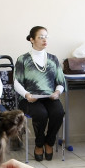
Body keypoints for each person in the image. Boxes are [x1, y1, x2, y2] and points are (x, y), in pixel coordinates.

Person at [14, 26, 66, 161]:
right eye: (40, 37)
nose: (44, 40)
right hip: (29, 98)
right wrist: (26, 95)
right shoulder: (23, 59)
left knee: (58, 112)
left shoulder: (53, 59)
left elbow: (61, 81)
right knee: (41, 114)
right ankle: (39, 144)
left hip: (49, 97)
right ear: (32, 39)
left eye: (46, 37)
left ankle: (49, 142)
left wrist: (57, 92)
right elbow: (16, 83)